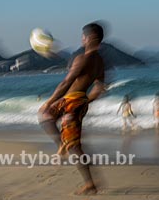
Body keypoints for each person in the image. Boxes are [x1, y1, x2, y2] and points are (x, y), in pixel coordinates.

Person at [38, 23, 107, 195]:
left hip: (71, 102)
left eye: (83, 36)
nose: (81, 39)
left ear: (90, 38)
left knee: (74, 147)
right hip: (77, 102)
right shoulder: (99, 62)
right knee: (46, 117)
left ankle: (89, 184)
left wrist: (50, 100)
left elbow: (65, 83)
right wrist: (85, 101)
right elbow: (99, 88)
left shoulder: (82, 59)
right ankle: (62, 145)